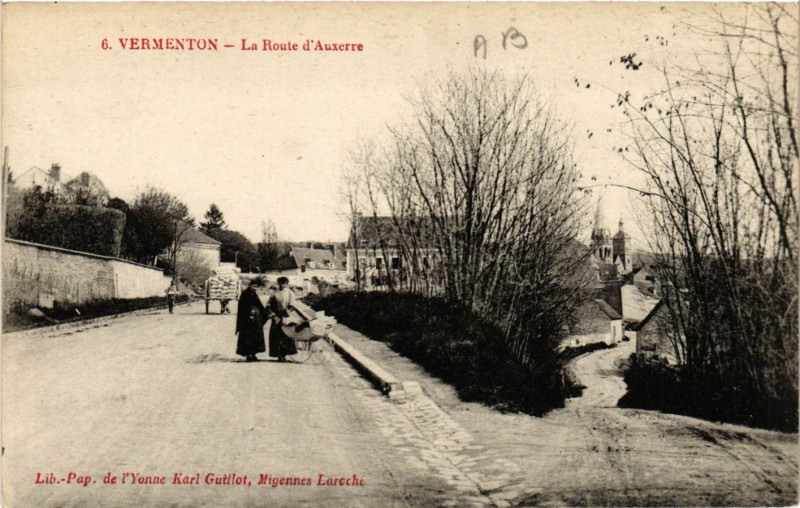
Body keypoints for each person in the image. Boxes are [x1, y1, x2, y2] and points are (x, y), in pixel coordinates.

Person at [235, 277, 268, 362]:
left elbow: (259, 305)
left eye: (257, 287)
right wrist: (248, 314)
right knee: (248, 337)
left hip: (256, 320)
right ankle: (248, 355)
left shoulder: (254, 294)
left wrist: (265, 313)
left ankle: (253, 354)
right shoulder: (245, 294)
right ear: (250, 285)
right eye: (254, 286)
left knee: (256, 337)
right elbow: (242, 307)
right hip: (247, 320)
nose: (255, 288)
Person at [267, 276, 298, 362]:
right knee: (276, 336)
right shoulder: (274, 293)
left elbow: (293, 305)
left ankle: (284, 354)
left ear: (287, 284)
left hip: (286, 317)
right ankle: (278, 355)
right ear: (278, 284)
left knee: (286, 336)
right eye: (281, 283)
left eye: (284, 283)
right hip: (276, 318)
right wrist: (273, 315)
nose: (282, 285)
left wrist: (288, 312)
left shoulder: (290, 293)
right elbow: (268, 305)